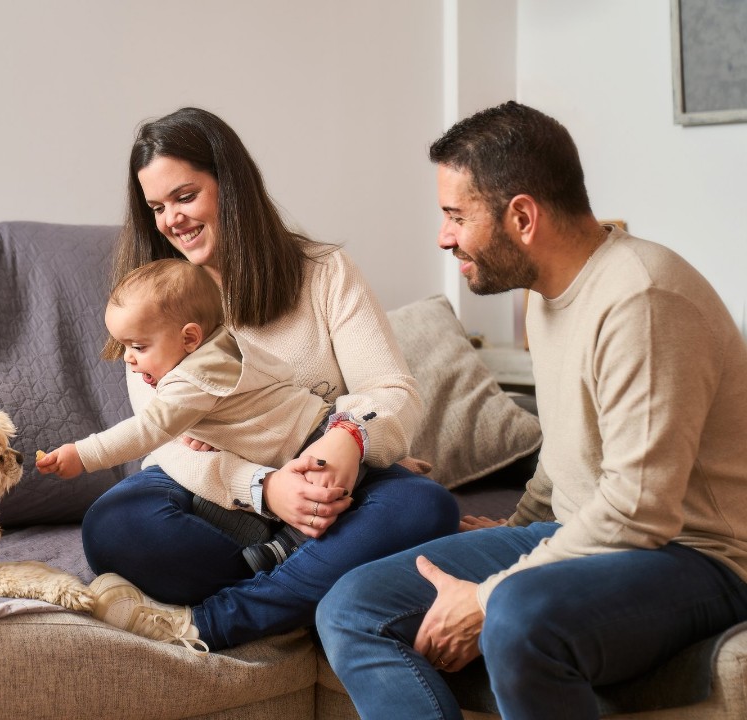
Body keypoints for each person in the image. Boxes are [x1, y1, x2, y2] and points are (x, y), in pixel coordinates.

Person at [316, 100, 747, 720]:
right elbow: (566, 450)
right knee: (351, 608)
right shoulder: (547, 297)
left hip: (694, 556)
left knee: (516, 617)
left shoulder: (642, 299)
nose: (444, 237)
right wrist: (518, 529)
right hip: (586, 539)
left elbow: (642, 510)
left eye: (455, 216)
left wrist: (488, 595)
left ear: (521, 215)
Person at [80, 107, 459, 653]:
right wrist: (263, 489)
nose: (171, 220)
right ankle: (318, 581)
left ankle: (218, 620)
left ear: (231, 186)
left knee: (425, 508)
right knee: (114, 525)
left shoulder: (325, 272)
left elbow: (392, 392)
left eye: (185, 197)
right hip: (216, 490)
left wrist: (347, 440)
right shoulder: (147, 300)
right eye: (157, 207)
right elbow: (163, 438)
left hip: (329, 481)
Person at [38, 257, 369, 573]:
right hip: (271, 458)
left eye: (138, 347)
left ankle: (289, 545)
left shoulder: (196, 376)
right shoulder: (216, 347)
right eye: (124, 346)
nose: (128, 358)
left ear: (189, 338)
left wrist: (83, 454)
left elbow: (148, 430)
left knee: (323, 491)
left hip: (308, 440)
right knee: (200, 508)